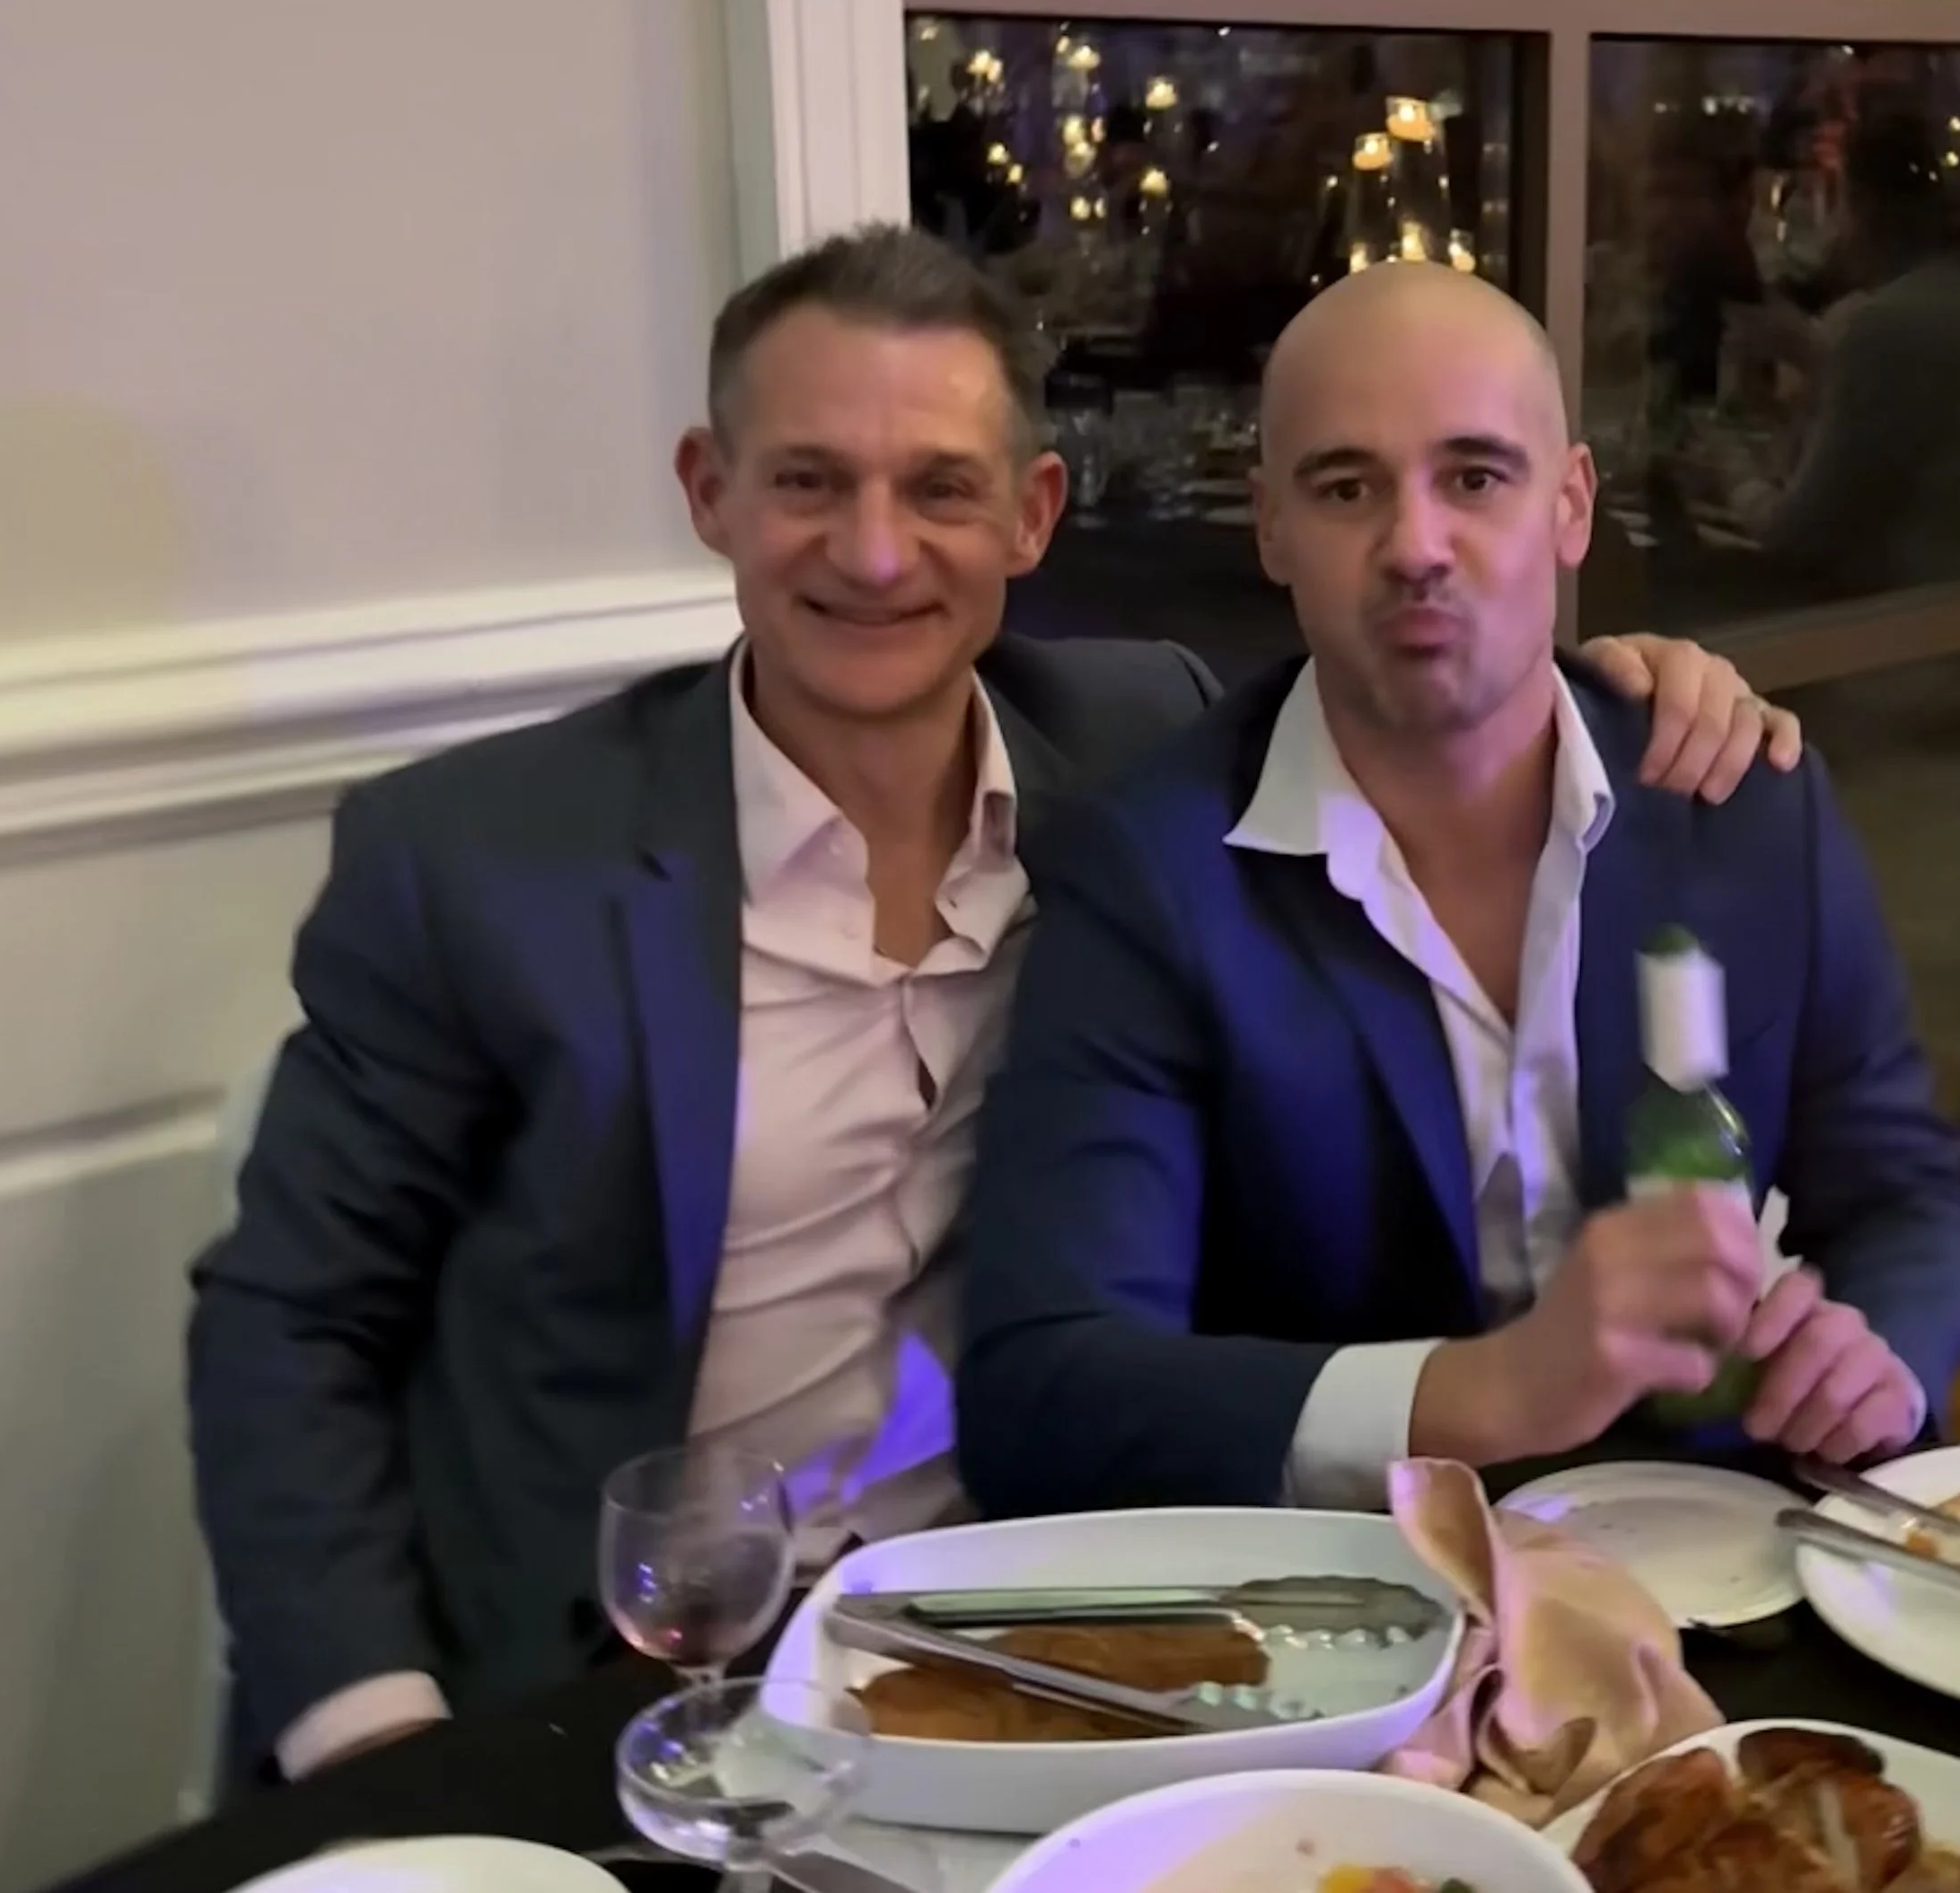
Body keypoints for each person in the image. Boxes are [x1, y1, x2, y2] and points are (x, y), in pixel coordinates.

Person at [189, 225, 1797, 1783]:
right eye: (808, 481)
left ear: (1032, 514)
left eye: (940, 488)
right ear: (710, 492)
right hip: (631, 1675)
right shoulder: (483, 861)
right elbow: (291, 1318)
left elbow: (1432, 690)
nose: (876, 552)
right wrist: (376, 1743)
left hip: (1067, 1632)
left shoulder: (1145, 747)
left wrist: (1634, 683)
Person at [957, 262, 1960, 1522]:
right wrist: (1486, 1392)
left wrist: (1883, 1360)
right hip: (1356, 1592)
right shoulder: (1149, 873)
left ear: (1572, 505)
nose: (1416, 547)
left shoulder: (1738, 799)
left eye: (1477, 477)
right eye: (1347, 487)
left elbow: (1900, 1194)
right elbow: (1045, 1394)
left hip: (1723, 1542)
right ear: (1269, 526)